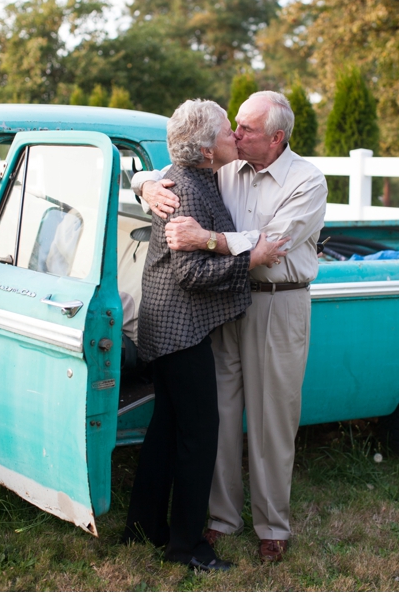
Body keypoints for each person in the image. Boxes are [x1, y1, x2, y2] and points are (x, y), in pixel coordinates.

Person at [135, 91, 327, 562]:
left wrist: (209, 240)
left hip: (279, 304)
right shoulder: (225, 166)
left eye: (247, 129)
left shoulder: (307, 181)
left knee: (272, 420)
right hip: (222, 305)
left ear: (277, 138)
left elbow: (270, 247)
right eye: (234, 126)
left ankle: (272, 525)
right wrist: (145, 186)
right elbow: (172, 168)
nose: (236, 134)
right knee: (218, 415)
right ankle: (221, 518)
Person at [121, 99, 283, 571]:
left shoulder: (189, 176)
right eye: (226, 132)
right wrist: (250, 259)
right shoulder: (187, 189)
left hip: (170, 324)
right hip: (180, 329)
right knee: (199, 435)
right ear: (207, 150)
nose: (235, 135)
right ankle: (187, 547)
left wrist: (143, 181)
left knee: (166, 429)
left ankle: (144, 527)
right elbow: (190, 272)